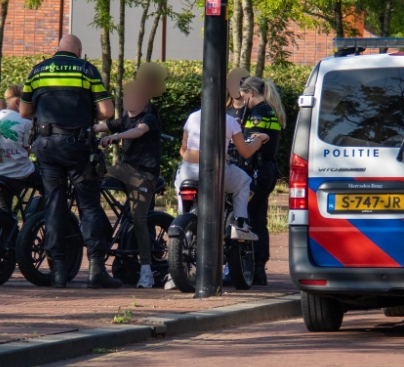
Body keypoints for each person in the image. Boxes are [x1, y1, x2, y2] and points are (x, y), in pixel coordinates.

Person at [20, 33, 119, 288]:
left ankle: (58, 271)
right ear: (79, 51)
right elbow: (107, 111)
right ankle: (96, 268)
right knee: (88, 205)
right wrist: (87, 110)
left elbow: (24, 111)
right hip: (78, 147)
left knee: (54, 204)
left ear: (57, 49)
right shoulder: (86, 70)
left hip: (46, 147)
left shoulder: (38, 71)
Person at [94, 81, 163, 288]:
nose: (129, 100)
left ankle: (146, 270)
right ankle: (105, 234)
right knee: (89, 184)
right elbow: (100, 126)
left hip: (144, 173)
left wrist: (115, 137)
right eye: (126, 97)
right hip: (123, 169)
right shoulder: (124, 119)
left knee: (139, 218)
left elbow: (138, 132)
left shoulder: (149, 118)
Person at [175, 107, 268, 239]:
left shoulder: (192, 117)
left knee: (183, 194)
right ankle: (240, 225)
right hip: (215, 169)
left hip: (187, 169)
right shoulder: (230, 121)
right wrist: (259, 139)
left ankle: (184, 226)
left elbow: (183, 150)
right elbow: (246, 152)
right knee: (244, 181)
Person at [237, 76, 287, 286]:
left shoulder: (258, 114)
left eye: (242, 96)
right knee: (259, 219)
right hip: (266, 170)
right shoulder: (269, 110)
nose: (241, 101)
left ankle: (250, 267)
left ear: (250, 93)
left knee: (250, 219)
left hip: (256, 171)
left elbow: (248, 143)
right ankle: (258, 270)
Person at [0, 92, 39, 213]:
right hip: (21, 173)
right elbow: (26, 151)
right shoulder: (25, 121)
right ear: (17, 102)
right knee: (51, 183)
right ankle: (33, 217)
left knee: (4, 212)